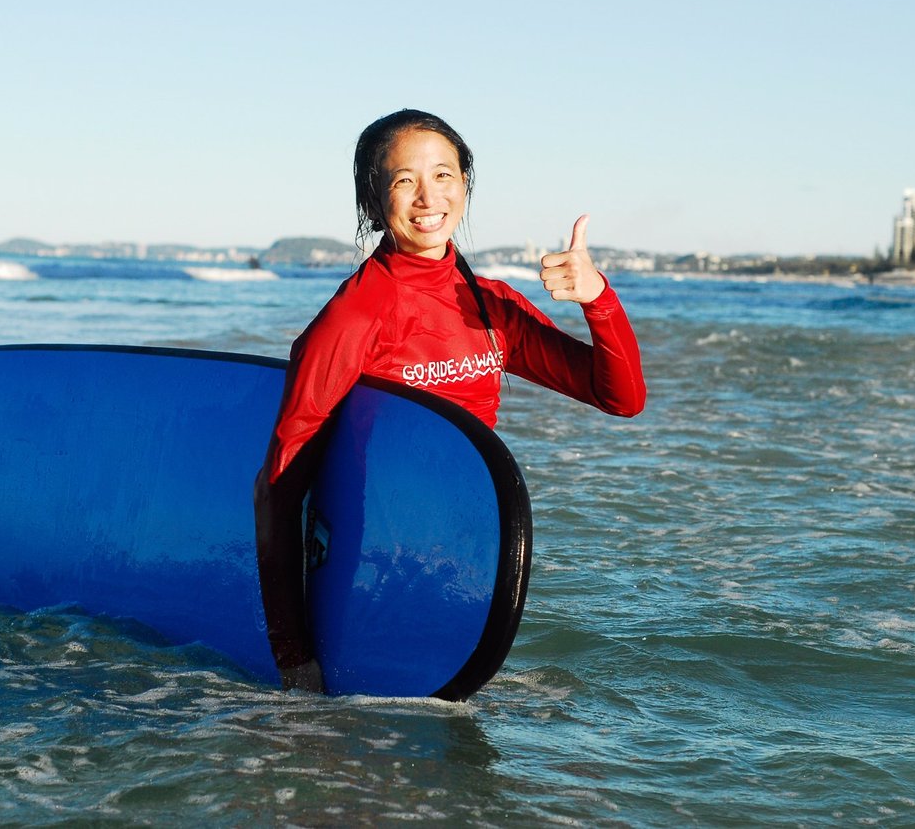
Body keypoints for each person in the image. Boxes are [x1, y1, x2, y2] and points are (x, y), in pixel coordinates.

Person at [254, 109, 646, 693]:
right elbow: (280, 490)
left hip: (458, 570)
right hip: (374, 573)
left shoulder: (489, 305)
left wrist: (598, 298)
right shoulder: (356, 314)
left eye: (443, 175)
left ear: (465, 185)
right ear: (373, 199)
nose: (427, 196)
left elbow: (619, 397)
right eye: (403, 179)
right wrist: (295, 663)